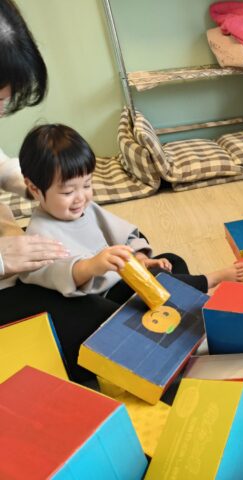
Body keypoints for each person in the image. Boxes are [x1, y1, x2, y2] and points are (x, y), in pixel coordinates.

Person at [0, 0, 118, 382]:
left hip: (17, 263)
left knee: (120, 297)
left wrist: (44, 182)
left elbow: (4, 168)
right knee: (100, 328)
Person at [18, 124, 243, 303]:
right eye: (68, 192)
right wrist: (92, 265)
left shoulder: (86, 208)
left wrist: (142, 260)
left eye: (87, 185)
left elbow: (123, 236)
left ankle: (188, 299)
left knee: (171, 261)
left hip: (126, 276)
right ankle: (210, 281)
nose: (80, 198)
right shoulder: (39, 234)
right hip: (106, 298)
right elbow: (57, 274)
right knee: (156, 279)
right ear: (35, 189)